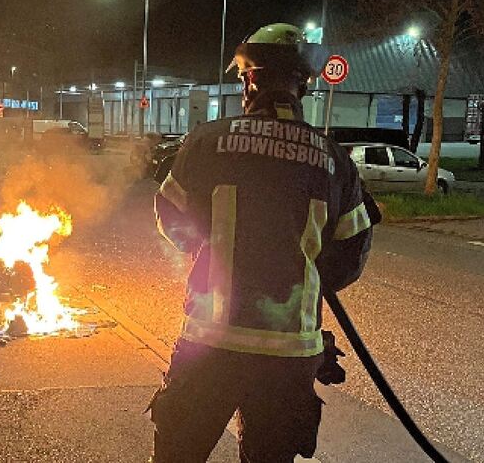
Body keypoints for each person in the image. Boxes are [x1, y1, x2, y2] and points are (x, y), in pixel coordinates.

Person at [150, 23, 375, 463]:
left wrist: (209, 254)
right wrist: (302, 273)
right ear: (303, 86)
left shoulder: (206, 142)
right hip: (289, 359)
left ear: (250, 79)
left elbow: (171, 218)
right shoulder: (334, 160)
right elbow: (350, 256)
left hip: (209, 347)